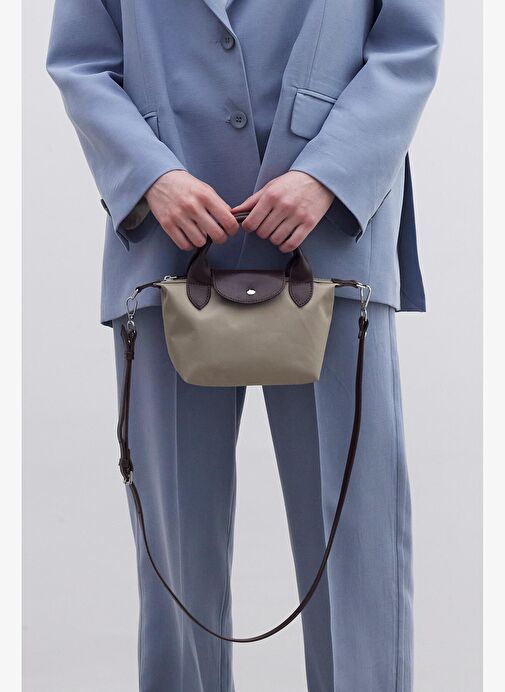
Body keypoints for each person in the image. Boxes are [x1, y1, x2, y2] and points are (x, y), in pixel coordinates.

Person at [47, 1, 443, 690]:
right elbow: (81, 61)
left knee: (357, 543)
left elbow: (408, 45)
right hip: (168, 244)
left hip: (332, 243)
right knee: (175, 560)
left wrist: (329, 172)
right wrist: (149, 175)